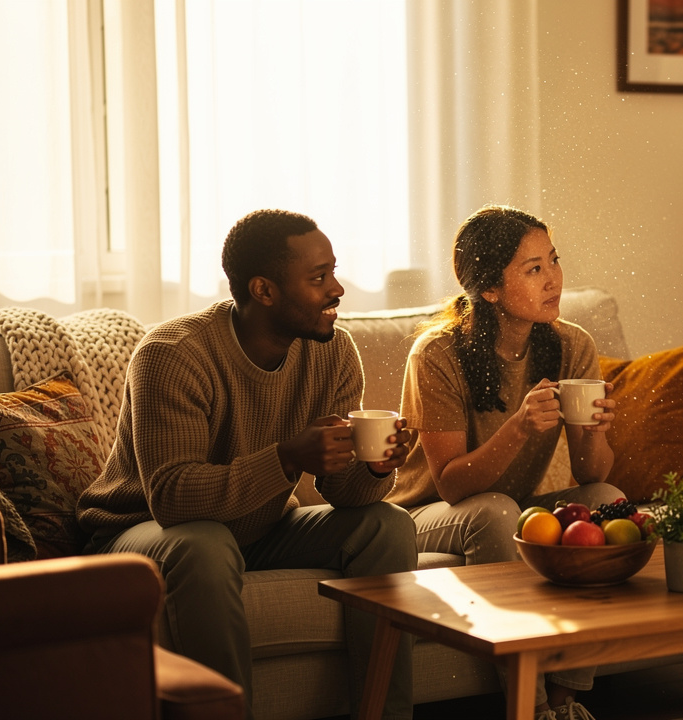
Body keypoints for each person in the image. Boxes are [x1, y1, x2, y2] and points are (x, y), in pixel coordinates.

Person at [76, 209, 418, 720]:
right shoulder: (173, 354)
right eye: (319, 277)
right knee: (206, 542)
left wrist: (372, 469)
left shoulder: (334, 352)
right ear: (264, 290)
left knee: (386, 527)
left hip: (259, 529)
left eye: (334, 271)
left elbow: (345, 495)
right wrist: (287, 457)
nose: (337, 289)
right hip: (137, 534)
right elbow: (172, 498)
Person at [388, 204, 623, 720]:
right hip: (426, 515)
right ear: (490, 289)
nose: (554, 279)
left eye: (553, 261)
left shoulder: (571, 344)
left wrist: (596, 428)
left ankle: (566, 701)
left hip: (512, 504)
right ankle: (531, 707)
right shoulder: (437, 354)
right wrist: (518, 426)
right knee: (494, 510)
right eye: (533, 268)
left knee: (607, 503)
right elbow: (451, 486)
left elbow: (592, 475)